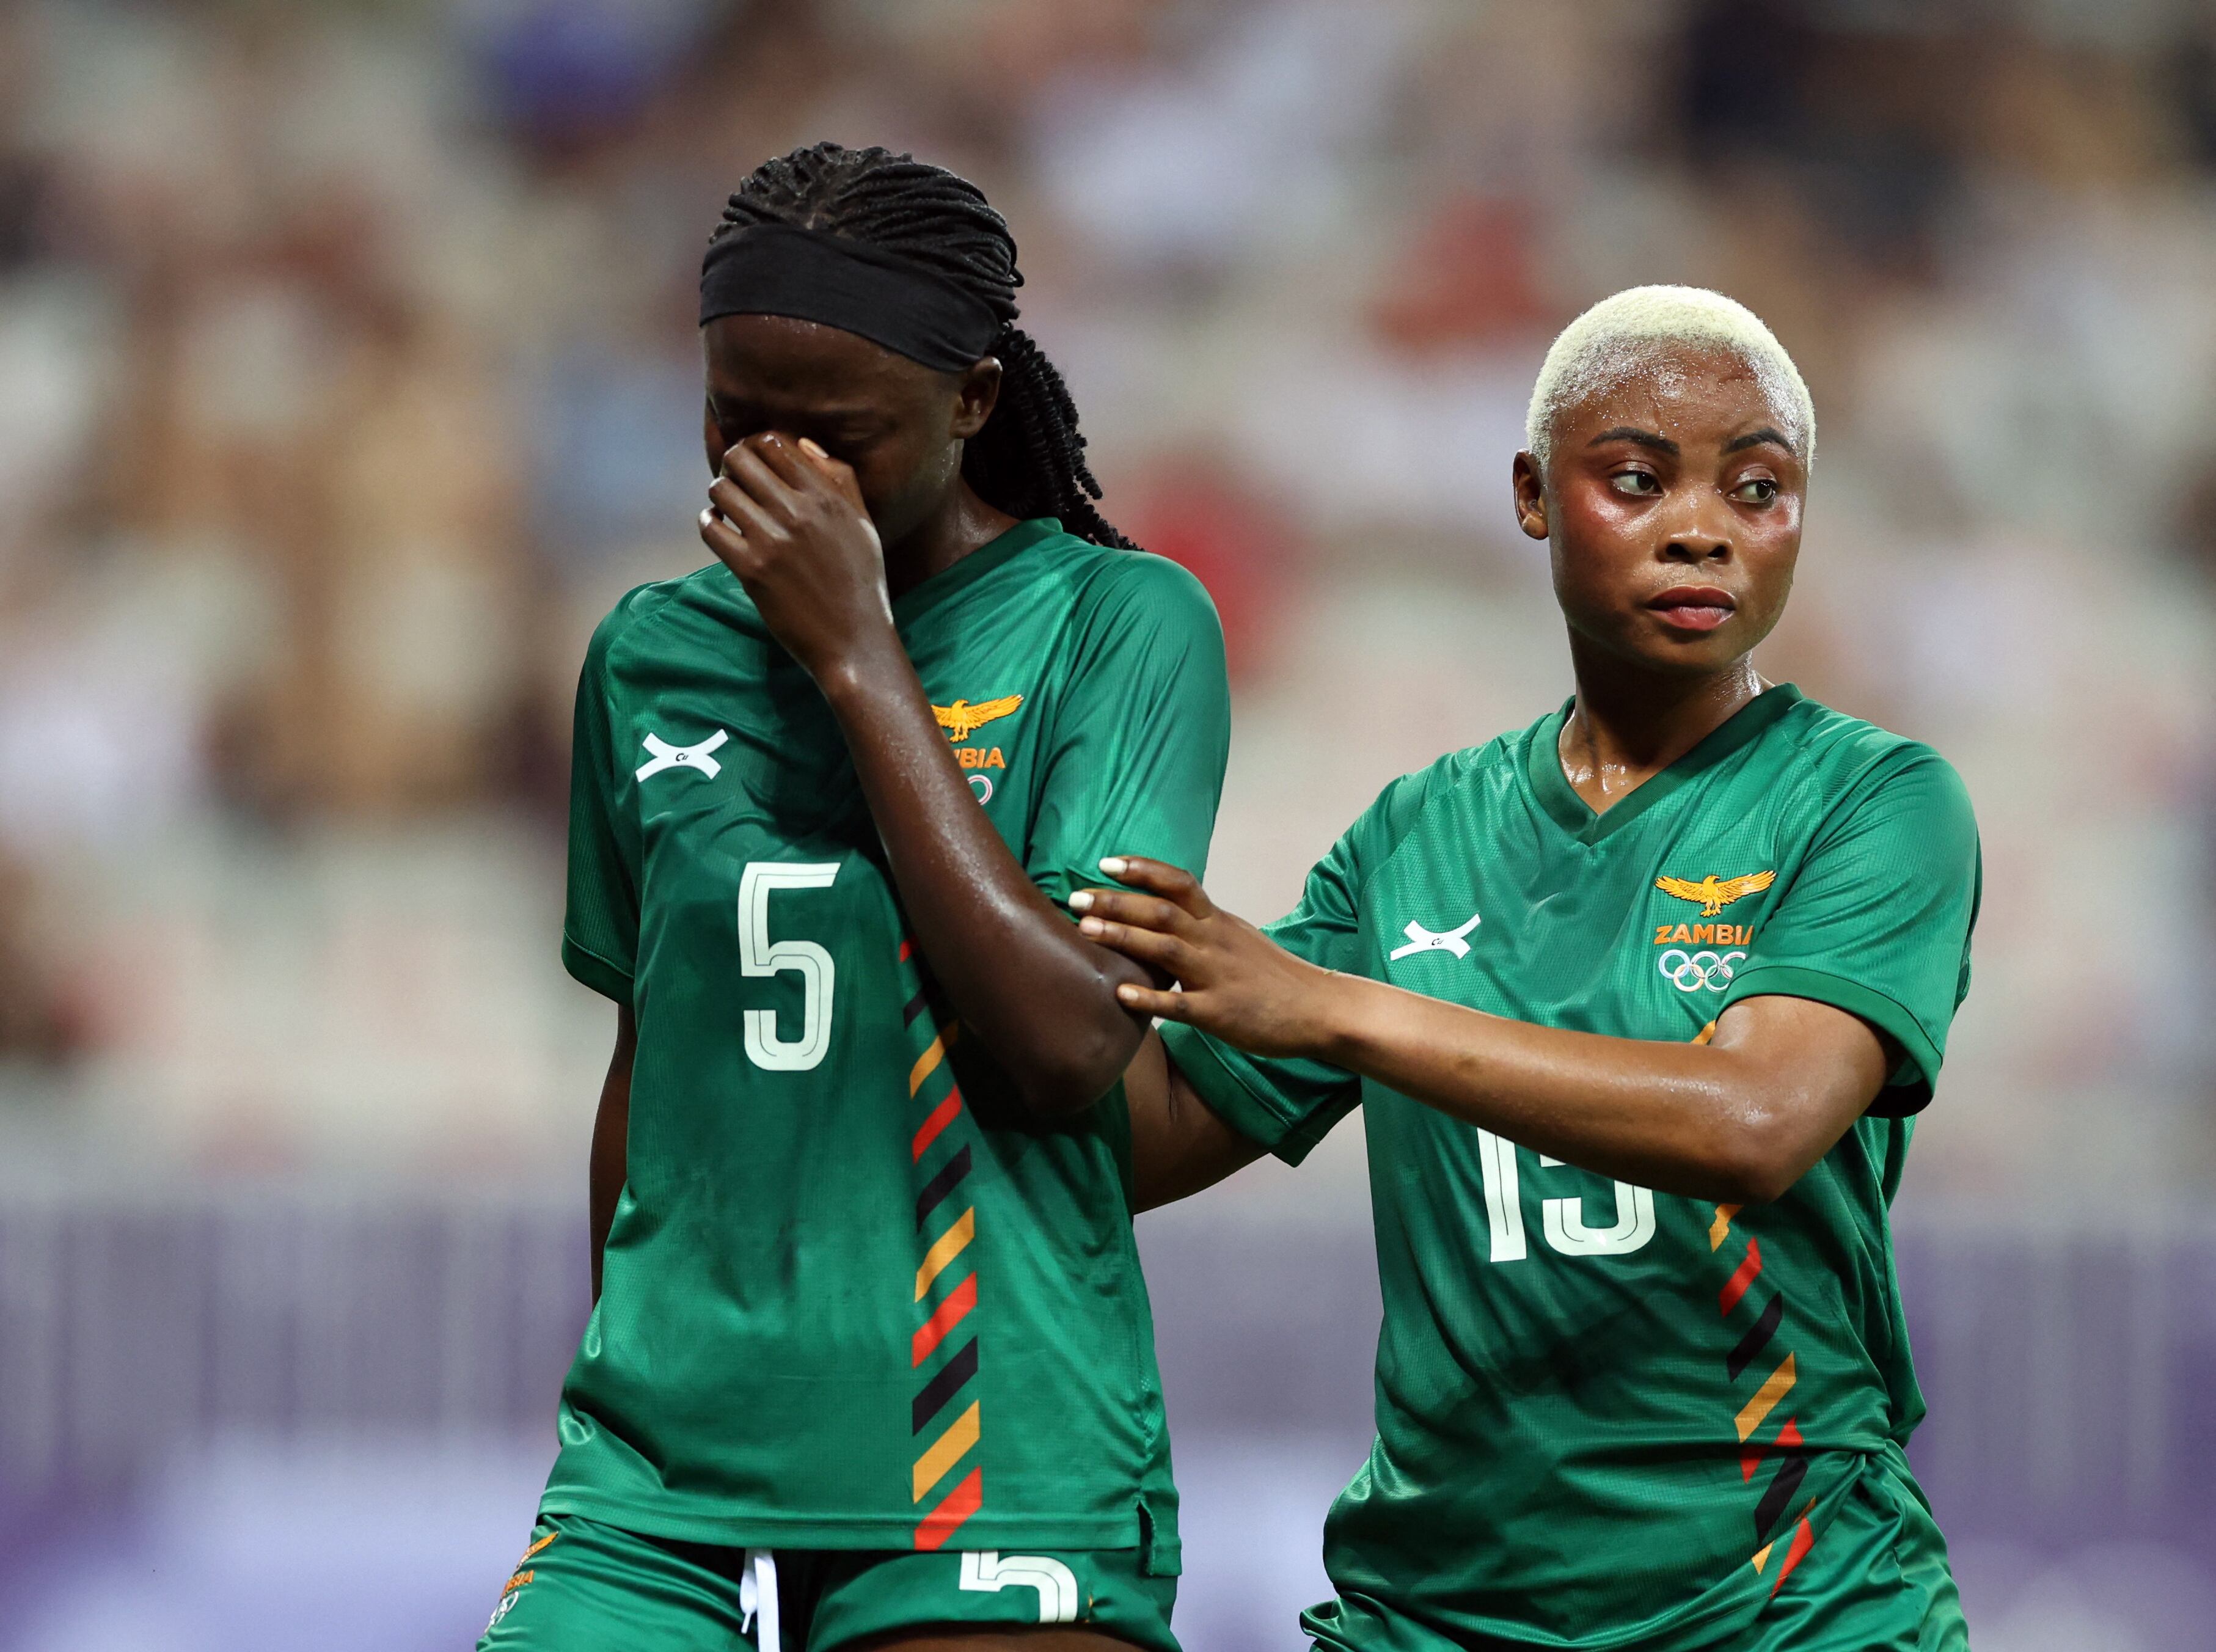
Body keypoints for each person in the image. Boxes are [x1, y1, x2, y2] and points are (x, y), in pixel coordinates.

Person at [1080, 287, 1982, 1652]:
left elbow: (1755, 1119)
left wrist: (1336, 1007)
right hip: (1436, 1608)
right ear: (1529, 494)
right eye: (1635, 477)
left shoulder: (1874, 799)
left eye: (1757, 487)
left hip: (1784, 1602)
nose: (1700, 526)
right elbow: (1136, 1149)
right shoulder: (1410, 836)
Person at [484, 143, 1231, 1652]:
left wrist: (856, 658)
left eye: (838, 436)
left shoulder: (1118, 623)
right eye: (733, 421)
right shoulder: (646, 656)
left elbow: (1072, 1041)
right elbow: (656, 1060)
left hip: (987, 1442)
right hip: (665, 1467)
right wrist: (627, 1375)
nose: (778, 477)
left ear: (967, 402)